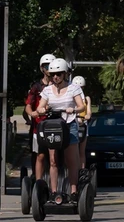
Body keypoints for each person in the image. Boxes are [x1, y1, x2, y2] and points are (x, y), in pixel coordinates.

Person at [35, 59, 86, 204]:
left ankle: (74, 191)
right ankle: (53, 192)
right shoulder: (47, 90)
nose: (55, 77)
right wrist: (41, 109)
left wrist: (74, 109)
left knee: (71, 161)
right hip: (54, 127)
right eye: (53, 74)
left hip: (69, 125)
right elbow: (41, 106)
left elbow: (81, 106)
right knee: (53, 161)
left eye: (58, 74)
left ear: (65, 74)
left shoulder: (73, 88)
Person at [25, 54, 55, 182]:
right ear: (42, 68)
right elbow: (28, 105)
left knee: (55, 158)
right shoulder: (36, 86)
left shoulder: (59, 85)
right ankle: (38, 184)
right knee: (40, 156)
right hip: (39, 125)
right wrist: (32, 113)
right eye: (46, 66)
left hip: (55, 125)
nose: (49, 69)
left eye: (51, 66)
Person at [72, 76, 91, 161]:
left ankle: (82, 170)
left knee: (81, 151)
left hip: (83, 125)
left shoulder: (86, 98)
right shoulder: (71, 97)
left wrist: (88, 116)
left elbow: (89, 111)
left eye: (81, 87)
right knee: (72, 150)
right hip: (73, 124)